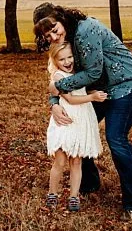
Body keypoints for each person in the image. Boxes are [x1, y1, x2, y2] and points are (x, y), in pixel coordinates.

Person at [34, 3, 132, 219]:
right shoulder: (65, 38)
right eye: (47, 35)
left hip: (126, 84)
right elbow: (60, 75)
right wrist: (54, 103)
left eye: (54, 29)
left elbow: (92, 73)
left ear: (61, 18)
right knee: (79, 128)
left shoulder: (85, 30)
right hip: (98, 90)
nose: (53, 37)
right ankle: (88, 184)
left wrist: (58, 88)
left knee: (116, 138)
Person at [41, 43, 103, 212]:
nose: (67, 62)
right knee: (60, 160)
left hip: (81, 119)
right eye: (62, 59)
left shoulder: (79, 73)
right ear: (55, 61)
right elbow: (70, 99)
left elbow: (83, 88)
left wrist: (93, 93)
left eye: (70, 57)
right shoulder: (59, 77)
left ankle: (74, 196)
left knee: (76, 161)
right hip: (66, 119)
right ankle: (52, 193)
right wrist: (92, 98)